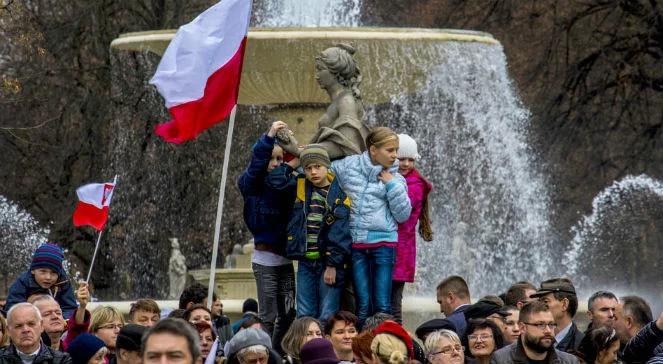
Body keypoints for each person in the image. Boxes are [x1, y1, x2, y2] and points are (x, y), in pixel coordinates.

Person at [331, 127, 412, 326]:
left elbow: (403, 215)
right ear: (373, 150)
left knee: (383, 304)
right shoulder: (350, 166)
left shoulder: (397, 179)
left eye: (396, 150)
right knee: (363, 304)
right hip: (358, 246)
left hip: (384, 246)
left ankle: (383, 344)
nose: (395, 156)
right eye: (390, 150)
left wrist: (391, 185)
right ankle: (363, 347)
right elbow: (324, 168)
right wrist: (305, 155)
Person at [238, 120, 297, 352]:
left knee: (289, 312)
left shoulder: (287, 184)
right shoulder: (251, 183)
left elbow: (294, 166)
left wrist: (293, 148)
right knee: (269, 313)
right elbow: (257, 164)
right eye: (271, 159)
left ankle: (277, 352)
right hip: (265, 260)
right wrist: (270, 135)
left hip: (285, 259)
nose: (274, 164)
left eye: (279, 159)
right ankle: (267, 354)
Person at [279, 145, 351, 323]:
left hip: (328, 262)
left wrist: (333, 264)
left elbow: (340, 233)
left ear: (327, 167)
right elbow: (275, 181)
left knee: (327, 313)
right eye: (308, 168)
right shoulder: (301, 187)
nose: (313, 172)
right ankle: (305, 348)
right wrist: (295, 160)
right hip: (305, 261)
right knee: (304, 313)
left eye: (317, 166)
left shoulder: (339, 195)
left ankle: (325, 348)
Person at [277, 44, 369, 161]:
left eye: (320, 69)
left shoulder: (346, 102)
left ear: (336, 72)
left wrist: (301, 151)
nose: (316, 76)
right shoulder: (340, 100)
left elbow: (348, 145)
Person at [391, 134, 433, 324]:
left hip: (400, 251)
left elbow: (403, 216)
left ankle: (396, 340)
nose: (406, 163)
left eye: (410, 159)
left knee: (393, 302)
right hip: (395, 250)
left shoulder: (415, 185)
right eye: (401, 159)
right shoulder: (396, 178)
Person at [490, 301, 579, 364]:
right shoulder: (501, 359)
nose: (548, 330)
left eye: (551, 325)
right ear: (522, 328)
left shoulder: (570, 361)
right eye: (540, 325)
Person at [4, 243, 77, 319]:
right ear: (33, 270)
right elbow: (12, 310)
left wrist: (61, 320)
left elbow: (70, 308)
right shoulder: (22, 283)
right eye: (43, 271)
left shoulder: (63, 283)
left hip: (56, 324)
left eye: (54, 272)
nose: (48, 277)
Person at [0, 303, 72, 364]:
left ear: (41, 326)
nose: (26, 330)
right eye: (18, 326)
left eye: (31, 324)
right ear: (8, 330)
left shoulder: (61, 360)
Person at [530, 278, 583, 352]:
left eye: (545, 301)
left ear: (564, 304)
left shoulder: (584, 346)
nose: (539, 306)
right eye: (539, 301)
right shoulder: (530, 340)